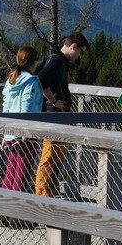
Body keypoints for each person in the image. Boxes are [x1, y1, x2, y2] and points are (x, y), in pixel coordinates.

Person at [33, 32, 88, 198]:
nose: (80, 57)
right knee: (50, 157)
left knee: (55, 157)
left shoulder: (56, 59)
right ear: (74, 46)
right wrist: (54, 100)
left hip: (58, 116)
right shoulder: (57, 61)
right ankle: (42, 196)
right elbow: (41, 80)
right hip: (54, 117)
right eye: (81, 52)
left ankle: (48, 193)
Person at [0, 46, 43, 228]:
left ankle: (4, 211)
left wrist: (5, 133)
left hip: (10, 133)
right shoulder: (31, 81)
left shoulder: (11, 80)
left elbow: (6, 106)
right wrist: (25, 132)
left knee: (11, 172)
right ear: (33, 62)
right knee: (22, 174)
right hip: (26, 134)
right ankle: (17, 215)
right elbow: (26, 106)